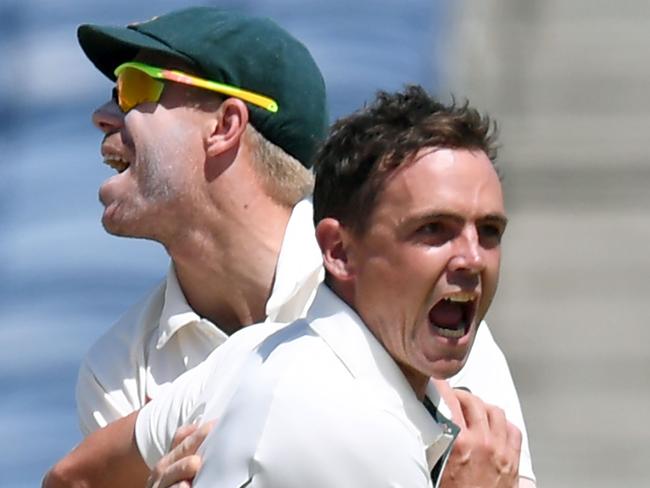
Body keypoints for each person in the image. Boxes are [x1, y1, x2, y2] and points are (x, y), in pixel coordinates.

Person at [45, 6, 535, 487]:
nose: (102, 116)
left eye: (134, 87)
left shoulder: (421, 308)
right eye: (435, 229)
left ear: (225, 126)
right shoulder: (122, 367)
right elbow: (69, 479)